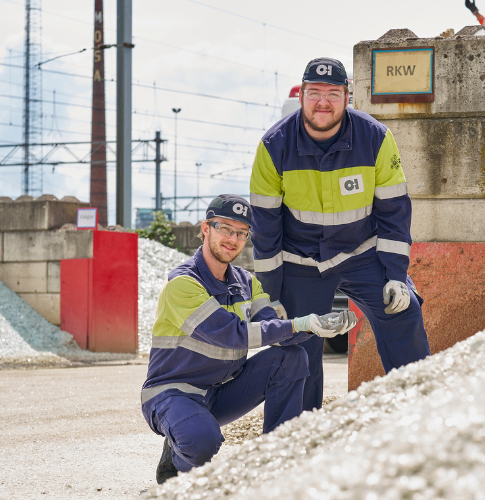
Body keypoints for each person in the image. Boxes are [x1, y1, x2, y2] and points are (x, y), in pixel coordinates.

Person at [249, 57, 431, 413]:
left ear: (348, 97)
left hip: (362, 255)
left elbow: (394, 213)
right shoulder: (273, 146)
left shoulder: (376, 139)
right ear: (301, 96)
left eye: (333, 93)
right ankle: (297, 440)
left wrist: (395, 276)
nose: (323, 102)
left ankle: (420, 415)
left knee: (404, 313)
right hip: (299, 261)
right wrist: (270, 294)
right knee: (297, 345)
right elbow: (265, 229)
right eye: (314, 92)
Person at [140, 194, 358, 484]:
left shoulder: (246, 282)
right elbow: (232, 335)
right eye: (225, 229)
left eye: (242, 233)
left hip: (219, 391)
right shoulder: (183, 284)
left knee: (292, 359)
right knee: (201, 440)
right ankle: (177, 457)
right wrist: (298, 324)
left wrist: (313, 327)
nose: (233, 238)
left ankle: (275, 466)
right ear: (206, 229)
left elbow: (272, 327)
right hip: (173, 394)